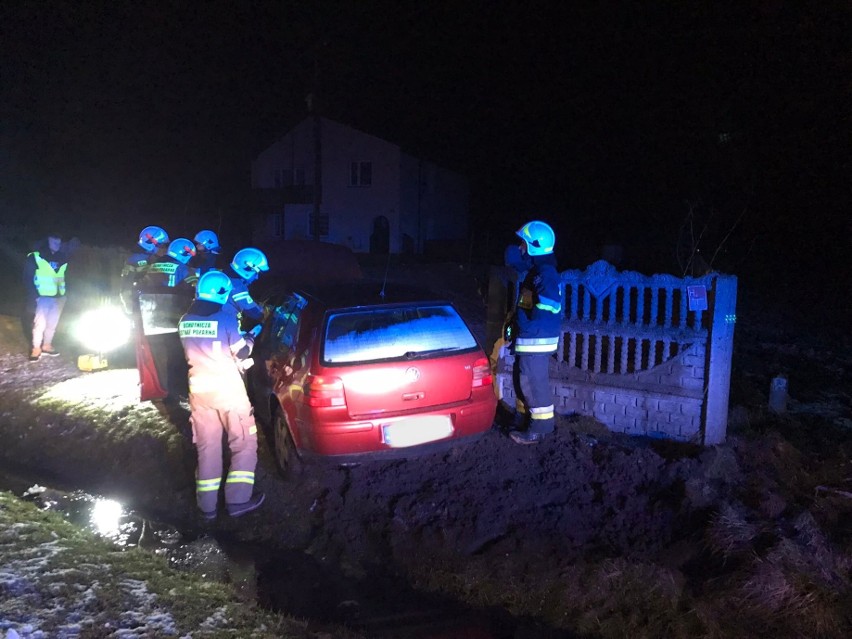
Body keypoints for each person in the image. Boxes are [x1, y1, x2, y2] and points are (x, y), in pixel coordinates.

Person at [178, 270, 265, 520]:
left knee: (207, 448)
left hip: (199, 393)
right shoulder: (226, 320)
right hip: (228, 392)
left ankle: (207, 507)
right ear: (224, 293)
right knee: (243, 444)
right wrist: (251, 336)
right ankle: (238, 501)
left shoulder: (185, 320)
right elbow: (241, 354)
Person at [505, 220, 562, 444]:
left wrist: (530, 324)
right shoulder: (537, 271)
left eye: (523, 243)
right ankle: (524, 418)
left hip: (536, 338)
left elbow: (550, 303)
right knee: (523, 380)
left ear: (534, 246)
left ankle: (541, 428)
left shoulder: (545, 272)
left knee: (534, 383)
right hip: (529, 337)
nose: (519, 247)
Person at [24, 232, 71, 361]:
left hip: (58, 297)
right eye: (55, 241)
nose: (58, 244)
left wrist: (64, 295)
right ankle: (36, 348)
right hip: (43, 296)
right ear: (48, 240)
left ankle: (47, 345)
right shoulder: (36, 256)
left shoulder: (62, 258)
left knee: (52, 324)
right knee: (39, 324)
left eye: (59, 242)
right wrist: (35, 295)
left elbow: (62, 277)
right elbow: (28, 278)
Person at [227, 247, 270, 330]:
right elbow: (254, 313)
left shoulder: (228, 279)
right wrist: (264, 312)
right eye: (256, 273)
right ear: (247, 269)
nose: (257, 277)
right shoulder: (237, 286)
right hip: (224, 331)